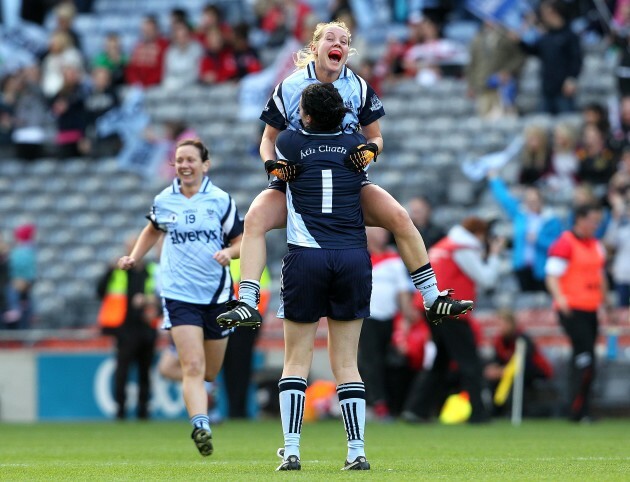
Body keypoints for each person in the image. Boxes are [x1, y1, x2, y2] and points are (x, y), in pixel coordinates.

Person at [217, 20, 473, 329]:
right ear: (315, 47)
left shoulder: (358, 86)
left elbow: (376, 136)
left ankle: (433, 299)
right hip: (298, 182)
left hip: (347, 182)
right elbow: (268, 139)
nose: (338, 43)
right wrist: (272, 165)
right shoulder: (290, 86)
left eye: (344, 40)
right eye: (331, 37)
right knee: (256, 217)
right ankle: (246, 301)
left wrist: (370, 150)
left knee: (400, 218)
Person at [222, 82, 372, 471]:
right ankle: (356, 451)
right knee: (346, 363)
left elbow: (271, 145)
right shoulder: (357, 144)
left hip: (307, 257)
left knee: (296, 360)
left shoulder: (290, 142)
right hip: (352, 256)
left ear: (304, 115)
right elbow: (366, 146)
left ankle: (291, 450)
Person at [117, 138, 243, 455]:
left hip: (216, 295)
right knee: (192, 365)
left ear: (205, 165)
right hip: (178, 294)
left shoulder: (220, 200)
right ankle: (201, 425)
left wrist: (230, 252)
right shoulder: (164, 199)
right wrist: (135, 256)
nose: (184, 165)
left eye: (190, 159)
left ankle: (203, 411)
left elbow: (243, 241)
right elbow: (152, 229)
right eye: (179, 160)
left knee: (210, 371)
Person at [402, 217, 504, 424]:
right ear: (478, 234)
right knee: (469, 361)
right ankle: (479, 413)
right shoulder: (461, 248)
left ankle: (416, 410)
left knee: (441, 361)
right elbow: (487, 278)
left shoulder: (443, 245)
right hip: (450, 309)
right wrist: (494, 254)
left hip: (431, 306)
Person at [545, 203, 609, 422]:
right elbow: (552, 275)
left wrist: (607, 303)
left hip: (591, 309)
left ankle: (577, 408)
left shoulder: (595, 245)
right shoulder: (565, 243)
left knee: (582, 358)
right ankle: (579, 411)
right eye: (593, 220)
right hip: (573, 309)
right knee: (586, 359)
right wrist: (561, 299)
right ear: (580, 219)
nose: (596, 225)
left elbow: (600, 276)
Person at [97, 236, 160, 420]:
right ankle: (121, 409)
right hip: (124, 330)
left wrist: (147, 301)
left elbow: (162, 296)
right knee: (122, 372)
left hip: (147, 328)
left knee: (145, 372)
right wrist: (109, 271)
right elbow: (100, 292)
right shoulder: (117, 271)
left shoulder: (152, 271)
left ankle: (143, 410)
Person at [359, 227, 417, 421]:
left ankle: (390, 403)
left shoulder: (394, 260)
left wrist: (407, 315)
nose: (382, 234)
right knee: (369, 362)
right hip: (366, 317)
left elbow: (402, 290)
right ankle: (376, 403)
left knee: (390, 362)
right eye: (378, 230)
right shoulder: (359, 258)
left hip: (390, 318)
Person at [487, 170, 563, 292]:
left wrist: (538, 239)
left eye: (534, 200)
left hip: (542, 269)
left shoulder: (551, 220)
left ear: (541, 200)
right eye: (528, 200)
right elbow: (505, 199)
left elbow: (557, 246)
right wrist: (494, 179)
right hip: (522, 267)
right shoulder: (520, 214)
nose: (531, 203)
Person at [221, 259, 271, 419]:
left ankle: (236, 410)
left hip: (243, 323)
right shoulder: (256, 259)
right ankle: (236, 410)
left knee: (237, 368)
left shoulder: (230, 259)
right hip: (241, 321)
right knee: (236, 367)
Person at [483, 309, 554, 417]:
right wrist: (493, 369)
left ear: (511, 324)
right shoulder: (499, 340)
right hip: (510, 372)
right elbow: (497, 360)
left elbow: (526, 362)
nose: (499, 327)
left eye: (502, 323)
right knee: (491, 379)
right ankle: (495, 411)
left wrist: (504, 371)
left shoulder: (522, 339)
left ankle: (518, 412)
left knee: (518, 379)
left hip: (535, 371)